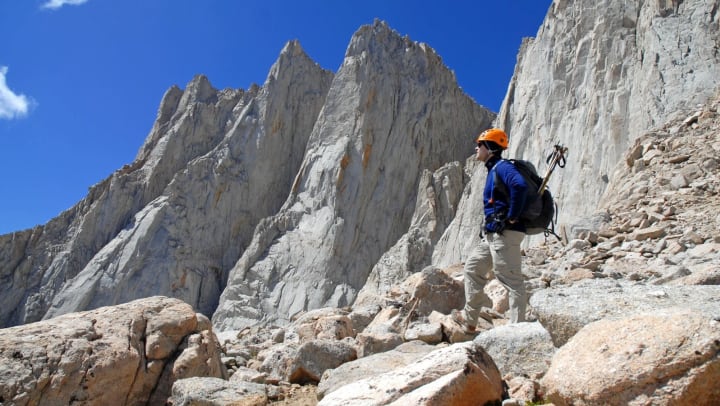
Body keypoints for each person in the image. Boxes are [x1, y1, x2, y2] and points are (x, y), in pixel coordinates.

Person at [452, 128, 529, 332]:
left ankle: (518, 330)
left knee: (510, 279)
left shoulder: (503, 167)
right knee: (473, 268)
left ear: (491, 148)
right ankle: (469, 320)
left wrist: (511, 216)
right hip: (493, 234)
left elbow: (519, 186)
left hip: (505, 233)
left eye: (480, 144)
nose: (476, 148)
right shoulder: (494, 169)